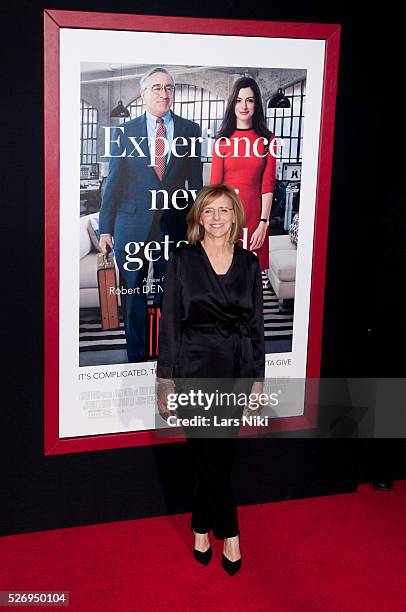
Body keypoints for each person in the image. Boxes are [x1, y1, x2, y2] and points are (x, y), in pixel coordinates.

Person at [156, 184, 265, 575]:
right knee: (210, 457)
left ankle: (201, 525)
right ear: (198, 219)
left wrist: (257, 379)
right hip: (193, 367)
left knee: (218, 458)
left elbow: (255, 326)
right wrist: (166, 381)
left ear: (235, 215)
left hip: (234, 369)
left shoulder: (250, 264)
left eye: (223, 211)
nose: (216, 219)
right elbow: (169, 321)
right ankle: (230, 533)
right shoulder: (183, 260)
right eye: (208, 212)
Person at [99, 67, 203, 362]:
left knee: (168, 295)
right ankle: (136, 358)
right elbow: (113, 183)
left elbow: (195, 185)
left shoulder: (190, 130)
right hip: (131, 227)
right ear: (143, 94)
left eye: (168, 87)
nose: (163, 93)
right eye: (156, 87)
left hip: (173, 227)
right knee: (132, 297)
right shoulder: (125, 132)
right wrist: (105, 228)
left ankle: (164, 356)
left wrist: (198, 225)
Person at [210, 76, 276, 271]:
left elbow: (268, 185)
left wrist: (263, 224)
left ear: (256, 104)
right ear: (232, 104)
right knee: (224, 280)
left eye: (250, 100)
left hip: (256, 219)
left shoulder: (267, 139)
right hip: (226, 219)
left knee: (251, 281)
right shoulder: (222, 140)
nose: (244, 106)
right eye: (239, 100)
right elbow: (215, 187)